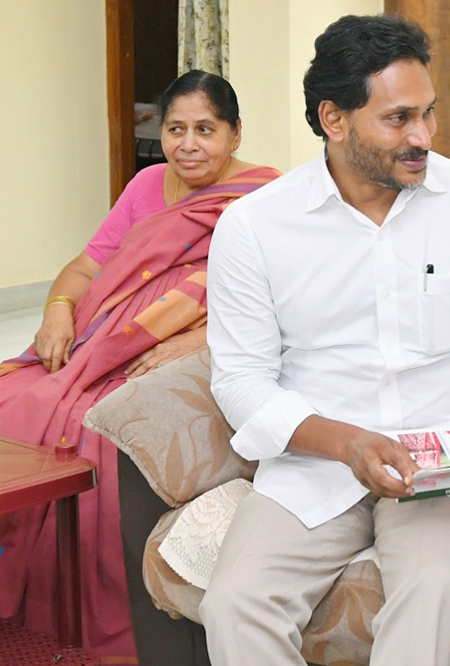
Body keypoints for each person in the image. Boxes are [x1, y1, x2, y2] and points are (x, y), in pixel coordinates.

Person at [199, 14, 450, 666]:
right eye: (399, 119)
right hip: (316, 463)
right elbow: (240, 381)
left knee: (429, 593)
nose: (423, 136)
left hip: (448, 463)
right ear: (335, 119)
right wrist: (346, 443)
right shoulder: (255, 227)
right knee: (233, 603)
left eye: (427, 114)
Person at [0, 70, 278, 660]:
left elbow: (279, 303)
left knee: (92, 429)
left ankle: (77, 605)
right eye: (175, 129)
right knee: (16, 399)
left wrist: (196, 342)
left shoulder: (263, 199)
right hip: (99, 345)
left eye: (206, 129)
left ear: (234, 135)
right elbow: (85, 266)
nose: (188, 144)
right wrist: (56, 310)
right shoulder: (148, 184)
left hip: (178, 354)